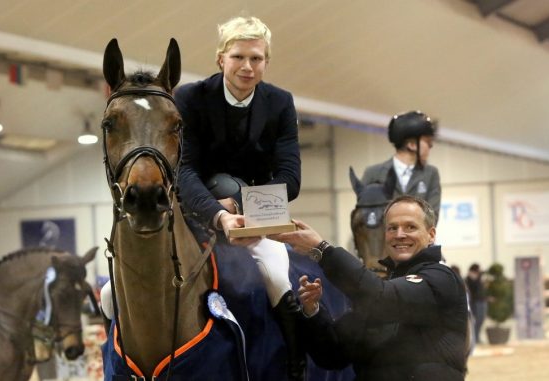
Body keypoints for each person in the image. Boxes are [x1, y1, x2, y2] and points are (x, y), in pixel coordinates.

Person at [174, 16, 304, 380]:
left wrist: (243, 208)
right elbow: (183, 171)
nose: (247, 66)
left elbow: (290, 177)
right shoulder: (189, 97)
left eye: (257, 59)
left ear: (265, 61)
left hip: (258, 217)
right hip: (196, 214)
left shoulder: (280, 102)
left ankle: (295, 365)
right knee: (110, 297)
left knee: (278, 276)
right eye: (238, 57)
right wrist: (219, 214)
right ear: (221, 59)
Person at [270, 196, 469, 380]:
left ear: (431, 234)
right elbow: (331, 355)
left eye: (410, 227)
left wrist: (322, 250)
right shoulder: (378, 290)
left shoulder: (441, 278)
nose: (399, 234)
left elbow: (382, 297)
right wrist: (313, 311)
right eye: (392, 228)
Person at [362, 110, 441, 218]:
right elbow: (366, 216)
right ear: (412, 145)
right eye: (427, 141)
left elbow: (432, 217)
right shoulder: (373, 174)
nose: (431, 146)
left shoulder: (431, 174)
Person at [466, 263, 486, 344]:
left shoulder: (479, 277)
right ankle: (475, 338)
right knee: (476, 321)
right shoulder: (470, 278)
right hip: (475, 302)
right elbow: (474, 287)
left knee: (481, 320)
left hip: (481, 301)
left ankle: (477, 337)